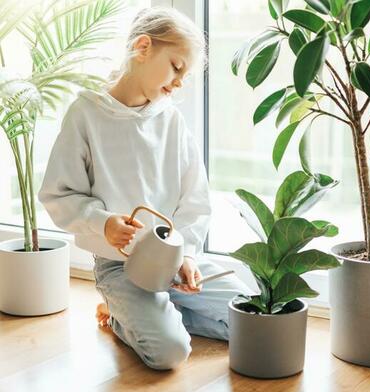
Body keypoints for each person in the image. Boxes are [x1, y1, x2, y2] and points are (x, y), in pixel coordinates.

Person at [38, 6, 251, 370]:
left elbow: (195, 200)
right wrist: (102, 222)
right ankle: (125, 315)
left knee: (254, 315)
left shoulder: (171, 120)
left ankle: (155, 310)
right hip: (121, 268)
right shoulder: (86, 114)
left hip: (174, 264)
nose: (180, 82)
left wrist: (186, 257)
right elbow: (58, 194)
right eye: (176, 67)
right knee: (170, 354)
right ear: (142, 47)